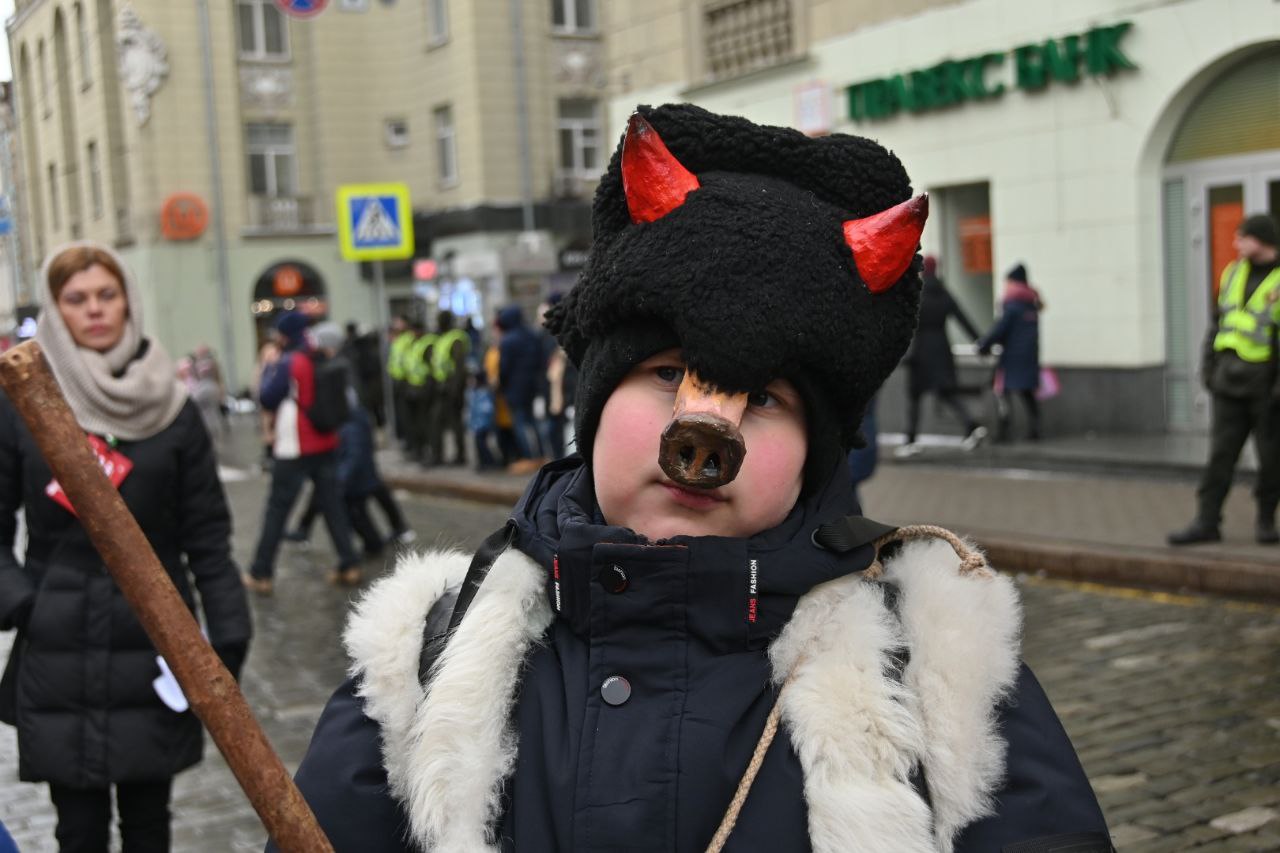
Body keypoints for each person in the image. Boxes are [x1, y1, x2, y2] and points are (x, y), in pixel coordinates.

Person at [274, 105, 1111, 853]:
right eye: (668, 373)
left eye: (766, 398)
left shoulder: (941, 666)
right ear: (597, 399)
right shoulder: (425, 662)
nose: (705, 438)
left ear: (816, 449)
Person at [0, 242, 251, 852]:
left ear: (129, 302)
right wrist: (25, 603)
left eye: (106, 295)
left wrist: (227, 634)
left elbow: (206, 537)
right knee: (78, 829)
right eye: (76, 298)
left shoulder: (172, 409)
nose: (94, 309)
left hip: (154, 645)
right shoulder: (25, 402)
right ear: (56, 309)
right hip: (58, 649)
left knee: (148, 823)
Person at [1169, 213, 1280, 546]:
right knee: (1220, 456)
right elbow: (1218, 324)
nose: (1236, 243)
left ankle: (1265, 521)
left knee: (1272, 460)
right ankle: (1206, 521)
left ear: (1261, 240)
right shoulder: (1233, 273)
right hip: (1228, 383)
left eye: (1242, 237)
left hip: (1266, 387)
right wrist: (1208, 369)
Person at [244, 311, 362, 593]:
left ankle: (261, 572)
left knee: (277, 509)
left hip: (295, 446)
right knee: (332, 505)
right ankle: (349, 564)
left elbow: (267, 397)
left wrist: (268, 368)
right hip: (325, 441)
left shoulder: (289, 361)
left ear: (285, 335)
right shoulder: (319, 353)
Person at [899, 255, 986, 456]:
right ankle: (971, 425)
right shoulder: (944, 293)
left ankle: (910, 441)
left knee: (915, 396)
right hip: (941, 350)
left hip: (921, 352)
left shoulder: (917, 294)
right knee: (946, 392)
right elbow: (962, 318)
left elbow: (904, 325)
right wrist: (980, 341)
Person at [978, 263, 1044, 442]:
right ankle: (1035, 428)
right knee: (1027, 392)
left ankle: (1004, 430)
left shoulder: (1012, 304)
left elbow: (1001, 329)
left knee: (1001, 391)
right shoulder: (1032, 304)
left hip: (1012, 357)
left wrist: (984, 345)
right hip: (1029, 356)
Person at [496, 304, 545, 470]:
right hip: (532, 386)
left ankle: (528, 457)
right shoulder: (532, 335)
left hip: (514, 389)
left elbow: (504, 368)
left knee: (520, 423)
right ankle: (541, 455)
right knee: (533, 422)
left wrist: (502, 385)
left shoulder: (508, 340)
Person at [427, 310, 470, 466]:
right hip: (441, 387)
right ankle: (437, 455)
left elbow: (459, 367)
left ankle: (460, 455)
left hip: (451, 388)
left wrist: (455, 390)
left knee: (455, 422)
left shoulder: (455, 339)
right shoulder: (442, 338)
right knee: (437, 421)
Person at [467, 369, 500, 470]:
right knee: (479, 443)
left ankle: (489, 461)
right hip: (478, 423)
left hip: (482, 424)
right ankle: (483, 462)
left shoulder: (483, 393)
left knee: (481, 444)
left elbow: (486, 409)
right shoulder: (475, 392)